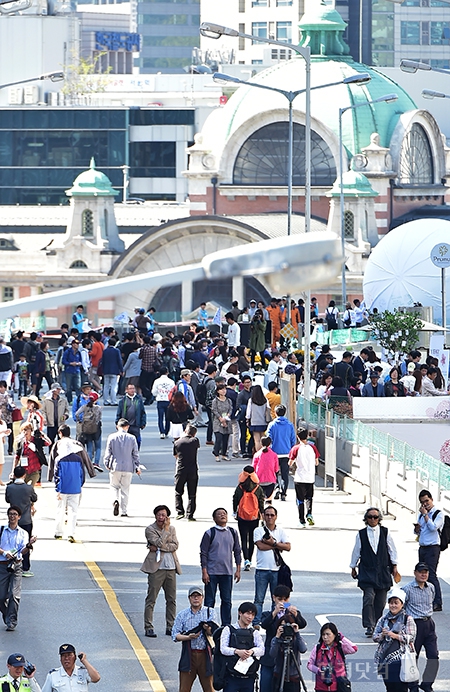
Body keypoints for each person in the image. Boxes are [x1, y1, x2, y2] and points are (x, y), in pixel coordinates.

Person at [350, 507, 399, 637]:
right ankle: (369, 625)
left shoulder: (385, 532)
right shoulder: (361, 534)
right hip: (366, 571)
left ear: (379, 519)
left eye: (375, 517)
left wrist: (394, 566)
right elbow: (356, 551)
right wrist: (353, 566)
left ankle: (377, 623)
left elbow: (392, 549)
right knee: (368, 598)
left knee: (381, 601)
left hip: (383, 571)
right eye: (370, 517)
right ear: (366, 519)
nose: (373, 519)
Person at [141, 505, 181, 638]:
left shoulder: (173, 529)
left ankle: (171, 625)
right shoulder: (150, 529)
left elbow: (175, 545)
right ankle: (149, 626)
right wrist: (165, 532)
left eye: (164, 515)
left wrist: (162, 546)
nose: (161, 518)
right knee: (151, 598)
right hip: (156, 568)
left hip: (170, 567)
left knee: (171, 599)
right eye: (159, 515)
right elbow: (158, 542)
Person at [260, 585, 307, 692]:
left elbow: (303, 624)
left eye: (285, 599)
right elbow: (264, 624)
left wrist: (296, 615)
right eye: (279, 599)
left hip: (288, 659)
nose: (282, 602)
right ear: (274, 598)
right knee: (266, 686)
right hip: (270, 657)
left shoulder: (291, 614)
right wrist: (274, 613)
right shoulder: (267, 614)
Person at [172, 586, 218, 692]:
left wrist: (207, 629)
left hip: (205, 655)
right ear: (189, 598)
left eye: (198, 596)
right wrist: (188, 637)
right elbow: (175, 635)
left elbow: (215, 633)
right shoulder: (182, 615)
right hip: (188, 655)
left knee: (209, 688)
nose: (196, 598)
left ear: (202, 598)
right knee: (184, 689)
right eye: (193, 596)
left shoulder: (210, 612)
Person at [200, 508, 242, 626]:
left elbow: (237, 551)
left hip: (227, 572)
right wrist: (204, 571)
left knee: (227, 601)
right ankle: (208, 624)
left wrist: (238, 570)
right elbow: (204, 553)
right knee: (209, 600)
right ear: (214, 518)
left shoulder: (233, 532)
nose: (222, 516)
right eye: (219, 514)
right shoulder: (209, 533)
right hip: (212, 572)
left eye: (224, 514)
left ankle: (226, 625)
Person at [403, 563, 439, 692]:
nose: (424, 574)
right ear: (415, 573)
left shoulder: (431, 587)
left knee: (433, 656)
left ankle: (427, 684)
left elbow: (433, 601)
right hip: (414, 624)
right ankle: (412, 686)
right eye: (421, 572)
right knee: (413, 657)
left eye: (426, 572)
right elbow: (402, 608)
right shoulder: (407, 589)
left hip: (429, 624)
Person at [373, 586, 417, 692]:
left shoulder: (408, 619)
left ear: (402, 604)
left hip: (401, 660)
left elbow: (411, 637)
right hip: (385, 660)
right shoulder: (383, 619)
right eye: (391, 603)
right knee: (389, 687)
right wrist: (383, 635)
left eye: (396, 603)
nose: (393, 605)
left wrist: (396, 636)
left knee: (401, 688)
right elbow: (375, 637)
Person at [253, 505, 291, 625]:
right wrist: (277, 545)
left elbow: (288, 547)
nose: (269, 517)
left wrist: (273, 542)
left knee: (279, 598)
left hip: (276, 570)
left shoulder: (281, 531)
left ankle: (277, 619)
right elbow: (261, 546)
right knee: (259, 599)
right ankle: (256, 622)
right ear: (263, 516)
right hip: (261, 569)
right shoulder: (258, 530)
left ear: (276, 517)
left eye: (272, 515)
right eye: (267, 515)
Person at [0, 506, 35, 631]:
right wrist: (4, 553)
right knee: (1, 596)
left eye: (15, 514)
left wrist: (29, 545)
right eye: (10, 514)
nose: (12, 516)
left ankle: (12, 621)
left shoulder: (23, 533)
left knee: (14, 595)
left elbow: (24, 551)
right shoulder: (2, 530)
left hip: (16, 566)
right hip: (3, 566)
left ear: (19, 517)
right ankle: (7, 615)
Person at [219, 601, 265, 692]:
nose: (250, 617)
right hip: (231, 676)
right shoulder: (229, 629)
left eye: (253, 615)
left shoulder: (254, 632)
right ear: (240, 613)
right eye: (248, 613)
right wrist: (236, 651)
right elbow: (223, 648)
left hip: (249, 676)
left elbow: (262, 649)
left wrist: (252, 652)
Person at [53, 425, 86, 542]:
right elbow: (82, 475)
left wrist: (58, 489)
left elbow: (57, 476)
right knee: (73, 511)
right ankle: (70, 533)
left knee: (60, 510)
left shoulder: (59, 459)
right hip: (75, 488)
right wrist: (79, 485)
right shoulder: (78, 459)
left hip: (63, 489)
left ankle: (58, 532)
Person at [103, 418, 141, 517]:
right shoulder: (132, 438)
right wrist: (137, 466)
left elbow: (108, 452)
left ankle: (115, 500)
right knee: (125, 489)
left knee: (114, 486)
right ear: (127, 427)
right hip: (128, 467)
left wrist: (106, 463)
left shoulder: (112, 437)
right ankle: (124, 510)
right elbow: (135, 454)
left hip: (115, 465)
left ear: (117, 426)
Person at [414, 490, 443, 611]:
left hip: (433, 547)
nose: (425, 504)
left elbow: (433, 528)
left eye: (427, 501)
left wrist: (426, 515)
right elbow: (419, 531)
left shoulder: (438, 514)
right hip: (423, 547)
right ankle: (427, 599)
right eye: (422, 502)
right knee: (422, 574)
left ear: (431, 499)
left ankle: (438, 602)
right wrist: (417, 529)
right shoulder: (421, 515)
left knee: (431, 574)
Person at [5, 468, 37, 578]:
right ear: (24, 475)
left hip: (13, 520)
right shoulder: (28, 488)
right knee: (26, 543)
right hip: (26, 520)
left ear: (14, 475)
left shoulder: (9, 487)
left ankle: (11, 563)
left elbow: (7, 500)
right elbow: (35, 498)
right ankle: (25, 568)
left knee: (11, 542)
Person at [307, 622, 357, 692]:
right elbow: (310, 665)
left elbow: (354, 648)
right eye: (323, 634)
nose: (325, 637)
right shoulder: (318, 648)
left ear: (334, 635)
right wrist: (318, 671)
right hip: (321, 687)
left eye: (328, 634)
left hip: (339, 687)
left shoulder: (340, 647)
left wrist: (342, 638)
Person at [233, 466, 265, 571]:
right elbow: (261, 501)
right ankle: (250, 560)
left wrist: (235, 511)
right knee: (252, 539)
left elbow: (235, 499)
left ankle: (245, 558)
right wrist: (262, 513)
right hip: (254, 517)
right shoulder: (257, 487)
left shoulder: (240, 487)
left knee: (243, 538)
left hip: (242, 516)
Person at [289, 429, 319, 528]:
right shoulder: (313, 448)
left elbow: (290, 462)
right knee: (309, 497)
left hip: (299, 477)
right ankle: (309, 514)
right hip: (310, 477)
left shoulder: (296, 448)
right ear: (307, 436)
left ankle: (302, 521)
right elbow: (317, 462)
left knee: (299, 499)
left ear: (297, 436)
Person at [266, 405, 296, 503]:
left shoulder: (272, 425)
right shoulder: (290, 425)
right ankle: (284, 493)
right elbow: (293, 439)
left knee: (274, 473)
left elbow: (269, 438)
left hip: (274, 453)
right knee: (285, 474)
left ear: (275, 413)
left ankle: (277, 488)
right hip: (286, 453)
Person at [270, 617, 307, 692]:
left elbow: (303, 649)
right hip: (279, 676)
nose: (286, 629)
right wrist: (277, 637)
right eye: (283, 626)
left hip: (294, 677)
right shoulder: (276, 639)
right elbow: (272, 654)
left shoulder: (296, 639)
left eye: (288, 626)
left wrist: (297, 633)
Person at [174, 424, 200, 521]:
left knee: (178, 491)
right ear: (194, 433)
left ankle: (180, 511)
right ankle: (190, 514)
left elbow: (175, 455)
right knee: (192, 493)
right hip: (192, 469)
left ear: (185, 431)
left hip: (181, 469)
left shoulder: (177, 442)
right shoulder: (195, 441)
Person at [14, 422, 51, 487]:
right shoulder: (21, 442)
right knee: (23, 488)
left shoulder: (36, 440)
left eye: (28, 429)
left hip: (35, 469)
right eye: (24, 430)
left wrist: (43, 435)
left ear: (31, 430)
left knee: (31, 488)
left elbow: (48, 443)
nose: (26, 432)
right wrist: (13, 470)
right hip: (24, 471)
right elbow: (17, 456)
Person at [75, 392, 102, 470]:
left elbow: (77, 414)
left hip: (87, 429)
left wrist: (80, 420)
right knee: (98, 447)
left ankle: (89, 463)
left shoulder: (84, 407)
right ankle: (96, 463)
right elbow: (99, 418)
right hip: (96, 429)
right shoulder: (98, 408)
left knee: (89, 447)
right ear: (96, 400)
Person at [115, 382, 147, 449]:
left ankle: (135, 453)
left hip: (136, 425)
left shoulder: (138, 399)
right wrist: (117, 423)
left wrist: (143, 422)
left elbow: (142, 412)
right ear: (126, 390)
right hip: (125, 425)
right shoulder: (123, 400)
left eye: (133, 388)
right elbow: (119, 413)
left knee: (137, 440)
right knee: (125, 442)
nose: (132, 390)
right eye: (130, 388)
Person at [252, 437, 279, 504]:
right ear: (270, 444)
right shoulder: (274, 455)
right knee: (269, 500)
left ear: (261, 443)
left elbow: (253, 468)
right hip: (271, 479)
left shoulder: (257, 454)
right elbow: (276, 469)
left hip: (259, 479)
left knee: (260, 500)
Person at [211, 383, 233, 462]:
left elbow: (231, 409)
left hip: (227, 421)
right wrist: (220, 418)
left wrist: (228, 415)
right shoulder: (215, 401)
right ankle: (216, 453)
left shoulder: (228, 400)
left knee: (225, 439)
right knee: (219, 438)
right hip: (218, 422)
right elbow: (214, 410)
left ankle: (224, 454)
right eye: (222, 389)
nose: (224, 391)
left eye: (225, 389)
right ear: (218, 391)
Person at [246, 384, 271, 453]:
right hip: (263, 421)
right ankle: (264, 452)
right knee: (263, 439)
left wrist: (247, 419)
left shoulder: (251, 400)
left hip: (254, 422)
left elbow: (248, 412)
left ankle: (259, 454)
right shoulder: (265, 400)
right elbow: (268, 409)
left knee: (257, 440)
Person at [152, 366, 174, 439]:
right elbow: (173, 391)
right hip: (168, 400)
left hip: (160, 400)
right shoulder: (171, 381)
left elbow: (154, 392)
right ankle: (166, 431)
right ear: (167, 372)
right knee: (168, 417)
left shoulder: (157, 381)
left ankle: (162, 432)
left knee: (160, 417)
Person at [101, 339, 123, 406]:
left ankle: (105, 400)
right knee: (113, 386)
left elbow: (103, 361)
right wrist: (121, 370)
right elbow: (119, 360)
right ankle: (113, 401)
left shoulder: (105, 351)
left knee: (106, 386)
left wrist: (102, 370)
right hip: (114, 370)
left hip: (106, 370)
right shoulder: (116, 351)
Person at [61, 339, 82, 405]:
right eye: (76, 344)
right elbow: (63, 361)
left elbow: (81, 361)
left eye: (78, 344)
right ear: (72, 344)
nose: (77, 345)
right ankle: (70, 400)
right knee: (69, 386)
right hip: (69, 371)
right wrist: (70, 363)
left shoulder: (79, 352)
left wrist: (79, 363)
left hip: (77, 370)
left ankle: (79, 400)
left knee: (78, 386)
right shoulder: (67, 352)